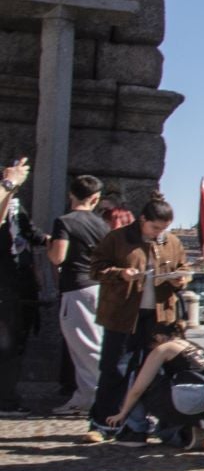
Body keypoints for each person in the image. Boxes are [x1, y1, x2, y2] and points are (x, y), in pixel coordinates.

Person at [87, 193, 189, 442]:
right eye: (155, 227)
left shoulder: (172, 242)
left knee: (153, 370)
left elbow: (183, 268)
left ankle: (141, 422)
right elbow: (95, 268)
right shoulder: (118, 238)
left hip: (160, 314)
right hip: (122, 314)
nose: (158, 233)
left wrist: (180, 278)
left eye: (164, 229)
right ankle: (103, 423)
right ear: (142, 220)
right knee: (116, 369)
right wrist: (121, 273)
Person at [99, 321, 204, 450]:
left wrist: (122, 413)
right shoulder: (199, 348)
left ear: (158, 337)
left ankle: (134, 432)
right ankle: (189, 430)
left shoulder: (164, 348)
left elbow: (138, 389)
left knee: (139, 375)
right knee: (163, 430)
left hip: (184, 400)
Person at [47, 174, 108, 417]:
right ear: (96, 198)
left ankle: (96, 399)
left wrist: (49, 244)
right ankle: (85, 398)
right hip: (98, 286)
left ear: (71, 194)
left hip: (76, 288)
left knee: (86, 347)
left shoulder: (65, 221)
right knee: (92, 345)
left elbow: (57, 258)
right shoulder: (102, 225)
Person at [0, 156, 43, 418]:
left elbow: (29, 233)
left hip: (15, 281)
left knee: (12, 343)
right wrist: (8, 182)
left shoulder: (15, 204)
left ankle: (7, 396)